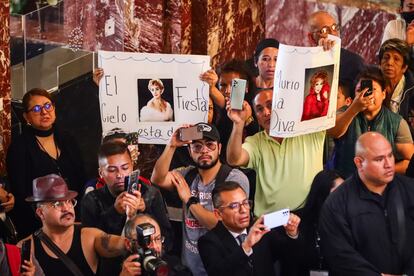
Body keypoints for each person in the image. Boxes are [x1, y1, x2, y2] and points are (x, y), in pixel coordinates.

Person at [151, 122, 249, 276]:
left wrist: (190, 200)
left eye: (210, 145)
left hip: (223, 266)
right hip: (190, 267)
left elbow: (224, 227)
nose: (204, 150)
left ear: (220, 148)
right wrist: (171, 146)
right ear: (190, 152)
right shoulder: (187, 175)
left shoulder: (234, 179)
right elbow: (157, 178)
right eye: (197, 146)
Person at [319, 132, 414, 275]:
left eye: (390, 155)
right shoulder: (337, 204)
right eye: (379, 159)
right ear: (359, 162)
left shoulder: (409, 189)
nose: (389, 164)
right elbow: (339, 254)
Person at [226, 89, 325, 216]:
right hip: (270, 222)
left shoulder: (308, 130)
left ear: (284, 105)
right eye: (260, 109)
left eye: (270, 105)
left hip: (307, 217)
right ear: (256, 116)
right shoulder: (256, 141)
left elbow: (338, 130)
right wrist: (238, 123)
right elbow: (234, 159)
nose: (266, 112)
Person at [6, 88, 87, 239]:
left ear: (54, 108)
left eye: (47, 106)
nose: (44, 112)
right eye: (36, 109)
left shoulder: (67, 139)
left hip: (75, 216)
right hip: (40, 225)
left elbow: (82, 178)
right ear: (26, 117)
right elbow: (22, 195)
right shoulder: (19, 147)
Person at [81, 141, 172, 275]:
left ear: (132, 167)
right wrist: (115, 212)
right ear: (101, 173)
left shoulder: (151, 194)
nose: (120, 175)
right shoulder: (91, 200)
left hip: (151, 267)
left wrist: (144, 213)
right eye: (112, 170)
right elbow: (89, 246)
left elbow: (168, 240)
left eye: (125, 168)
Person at [20, 174, 127, 275]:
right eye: (57, 204)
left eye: (69, 201)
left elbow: (113, 242)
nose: (67, 208)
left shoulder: (88, 236)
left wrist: (130, 243)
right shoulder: (26, 249)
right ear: (41, 213)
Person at [198, 181, 301, 276]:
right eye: (234, 206)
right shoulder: (208, 241)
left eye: (245, 203)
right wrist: (246, 246)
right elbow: (218, 272)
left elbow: (290, 255)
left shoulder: (261, 228)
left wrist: (292, 233)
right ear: (218, 214)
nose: (243, 210)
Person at [328, 66, 414, 177]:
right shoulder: (345, 112)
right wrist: (354, 109)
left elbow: (410, 161)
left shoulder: (396, 123)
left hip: (381, 187)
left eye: (371, 90)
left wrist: (382, 170)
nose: (365, 94)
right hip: (347, 184)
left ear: (383, 94)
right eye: (359, 90)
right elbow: (333, 132)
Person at [281, 170, 344, 275]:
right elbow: (292, 262)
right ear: (322, 194)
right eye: (338, 193)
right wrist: (293, 234)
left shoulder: (350, 222)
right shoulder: (300, 222)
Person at [307, 10, 365, 92]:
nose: (332, 33)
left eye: (334, 27)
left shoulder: (354, 62)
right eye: (324, 30)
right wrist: (321, 55)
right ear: (311, 38)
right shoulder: (306, 60)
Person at [121, 214, 192, 276]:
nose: (155, 247)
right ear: (128, 244)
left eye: (158, 239)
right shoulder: (121, 269)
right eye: (147, 241)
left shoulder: (175, 266)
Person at [379, 39, 414, 134]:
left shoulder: (412, 89)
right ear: (380, 63)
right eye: (386, 57)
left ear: (404, 67)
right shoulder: (371, 82)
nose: (390, 63)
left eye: (396, 59)